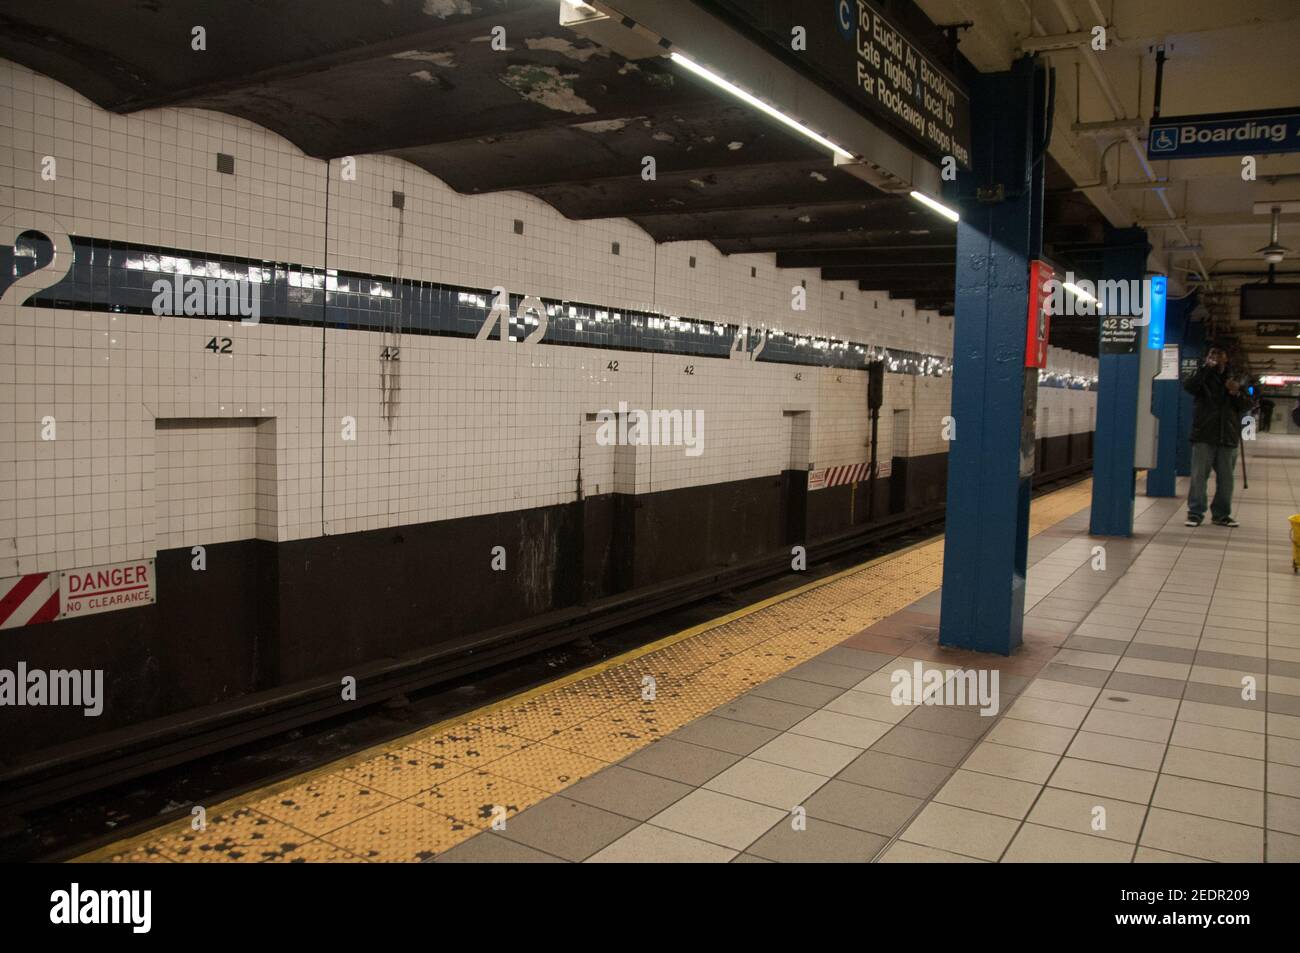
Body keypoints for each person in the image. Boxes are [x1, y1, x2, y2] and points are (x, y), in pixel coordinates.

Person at [1183, 344, 1251, 528]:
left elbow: (1246, 405)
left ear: (1226, 358)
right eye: (1212, 353)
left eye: (1219, 354)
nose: (1215, 357)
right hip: (1204, 434)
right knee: (1199, 476)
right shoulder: (1202, 376)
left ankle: (1221, 514)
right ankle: (1195, 513)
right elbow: (1189, 387)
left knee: (1226, 480)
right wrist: (1205, 369)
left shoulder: (1237, 378)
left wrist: (1235, 392)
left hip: (1227, 435)